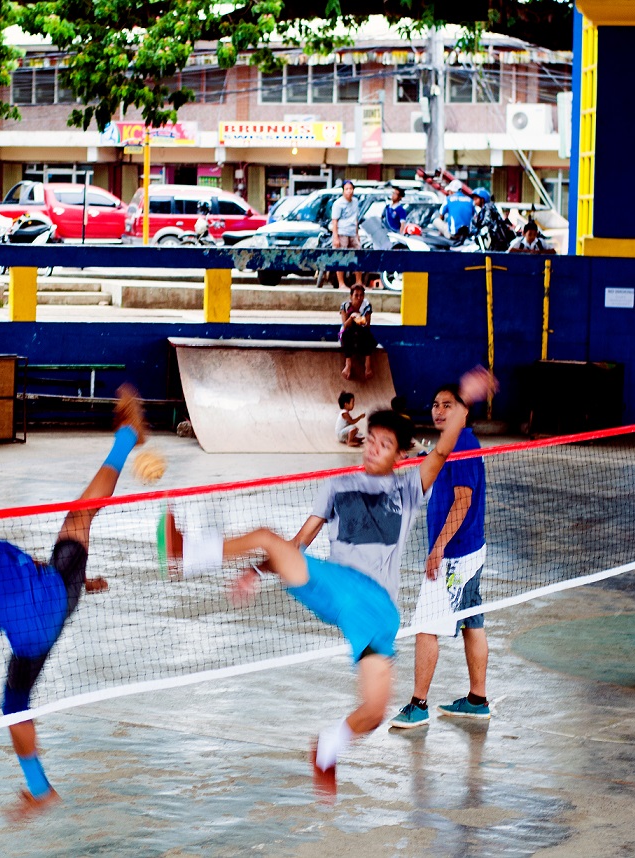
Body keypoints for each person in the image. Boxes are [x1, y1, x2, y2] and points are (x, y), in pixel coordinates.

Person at [163, 368, 497, 789]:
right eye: (371, 440)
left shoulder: (409, 488)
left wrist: (463, 403)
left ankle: (326, 749)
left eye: (385, 445)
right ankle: (186, 551)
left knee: (374, 712)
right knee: (269, 538)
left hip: (377, 612)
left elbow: (444, 449)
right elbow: (299, 541)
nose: (374, 449)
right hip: (335, 583)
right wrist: (255, 570)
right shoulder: (338, 485)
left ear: (398, 456)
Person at [0, 387, 147, 815]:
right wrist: (83, 581)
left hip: (32, 641)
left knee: (13, 707)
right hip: (60, 590)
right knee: (81, 514)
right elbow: (30, 567)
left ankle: (40, 789)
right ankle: (125, 438)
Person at [390, 384, 490, 728]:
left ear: (463, 411)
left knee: (425, 626)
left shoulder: (462, 442)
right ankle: (477, 699)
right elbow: (439, 459)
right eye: (435, 404)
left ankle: (418, 705)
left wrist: (438, 550)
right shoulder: (459, 442)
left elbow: (463, 499)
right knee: (472, 622)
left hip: (454, 557)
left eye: (448, 405)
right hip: (469, 551)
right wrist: (420, 453)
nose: (439, 410)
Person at [330, 180, 364, 290]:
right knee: (341, 258)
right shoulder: (338, 203)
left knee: (358, 257)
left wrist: (357, 233)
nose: (349, 191)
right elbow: (334, 221)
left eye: (351, 189)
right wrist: (335, 237)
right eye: (347, 189)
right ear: (343, 191)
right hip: (342, 233)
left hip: (352, 232)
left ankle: (359, 282)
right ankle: (341, 283)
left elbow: (356, 219)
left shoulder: (355, 202)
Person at [339, 283, 376, 381]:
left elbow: (367, 325)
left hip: (361, 332)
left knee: (368, 335)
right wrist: (352, 317)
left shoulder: (366, 306)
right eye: (356, 295)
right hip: (348, 331)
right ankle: (348, 365)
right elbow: (345, 325)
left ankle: (367, 365)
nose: (359, 298)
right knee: (347, 334)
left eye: (361, 295)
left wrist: (361, 320)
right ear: (351, 296)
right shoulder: (345, 306)